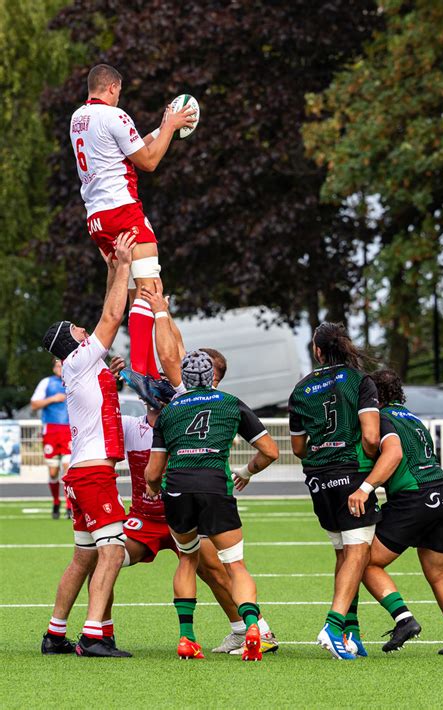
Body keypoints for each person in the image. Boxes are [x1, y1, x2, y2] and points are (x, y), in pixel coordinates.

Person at [69, 63, 196, 396]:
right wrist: (169, 126)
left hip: (97, 219)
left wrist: (162, 127)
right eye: (119, 91)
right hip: (123, 210)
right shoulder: (115, 115)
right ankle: (146, 373)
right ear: (113, 87)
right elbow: (149, 161)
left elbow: (131, 149)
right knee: (152, 291)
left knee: (133, 294)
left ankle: (150, 370)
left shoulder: (78, 119)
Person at [145, 350, 279, 660]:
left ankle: (187, 638)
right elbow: (270, 451)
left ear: (185, 379)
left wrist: (153, 489)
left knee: (187, 560)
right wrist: (246, 472)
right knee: (235, 564)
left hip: (177, 490)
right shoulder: (230, 403)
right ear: (212, 378)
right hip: (216, 487)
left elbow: (152, 472)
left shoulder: (170, 410)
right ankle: (252, 628)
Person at [40, 231, 135, 658]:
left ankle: (55, 633)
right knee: (111, 552)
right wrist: (127, 266)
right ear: (73, 341)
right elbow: (112, 315)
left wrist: (113, 265)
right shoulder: (79, 359)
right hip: (94, 471)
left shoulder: (81, 365)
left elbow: (107, 311)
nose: (85, 327)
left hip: (84, 470)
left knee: (83, 557)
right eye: (79, 329)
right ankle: (95, 634)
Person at [348, 368, 443, 656]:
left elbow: (394, 454)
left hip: (414, 498)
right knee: (440, 572)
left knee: (363, 561)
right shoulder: (413, 418)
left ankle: (403, 619)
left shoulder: (380, 418)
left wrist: (366, 487)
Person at [288, 322, 380, 660]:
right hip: (350, 471)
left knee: (344, 554)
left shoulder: (301, 388)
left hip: (317, 476)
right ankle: (333, 623)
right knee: (358, 553)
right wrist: (374, 464)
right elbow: (371, 437)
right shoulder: (359, 381)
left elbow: (298, 447)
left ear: (317, 350)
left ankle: (350, 632)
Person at [30, 359, 72, 519]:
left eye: (61, 365)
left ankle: (69, 506)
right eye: (57, 365)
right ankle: (56, 501)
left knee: (68, 469)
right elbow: (34, 404)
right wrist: (52, 399)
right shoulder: (46, 383)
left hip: (69, 430)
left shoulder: (75, 381)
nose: (59, 368)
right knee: (53, 471)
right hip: (51, 431)